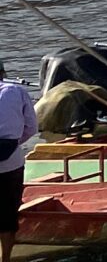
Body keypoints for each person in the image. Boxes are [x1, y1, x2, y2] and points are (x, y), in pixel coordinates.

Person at [0, 55, 33, 262]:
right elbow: (31, 128)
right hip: (10, 164)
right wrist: (14, 144)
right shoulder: (16, 91)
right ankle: (6, 258)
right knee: (7, 216)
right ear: (3, 72)